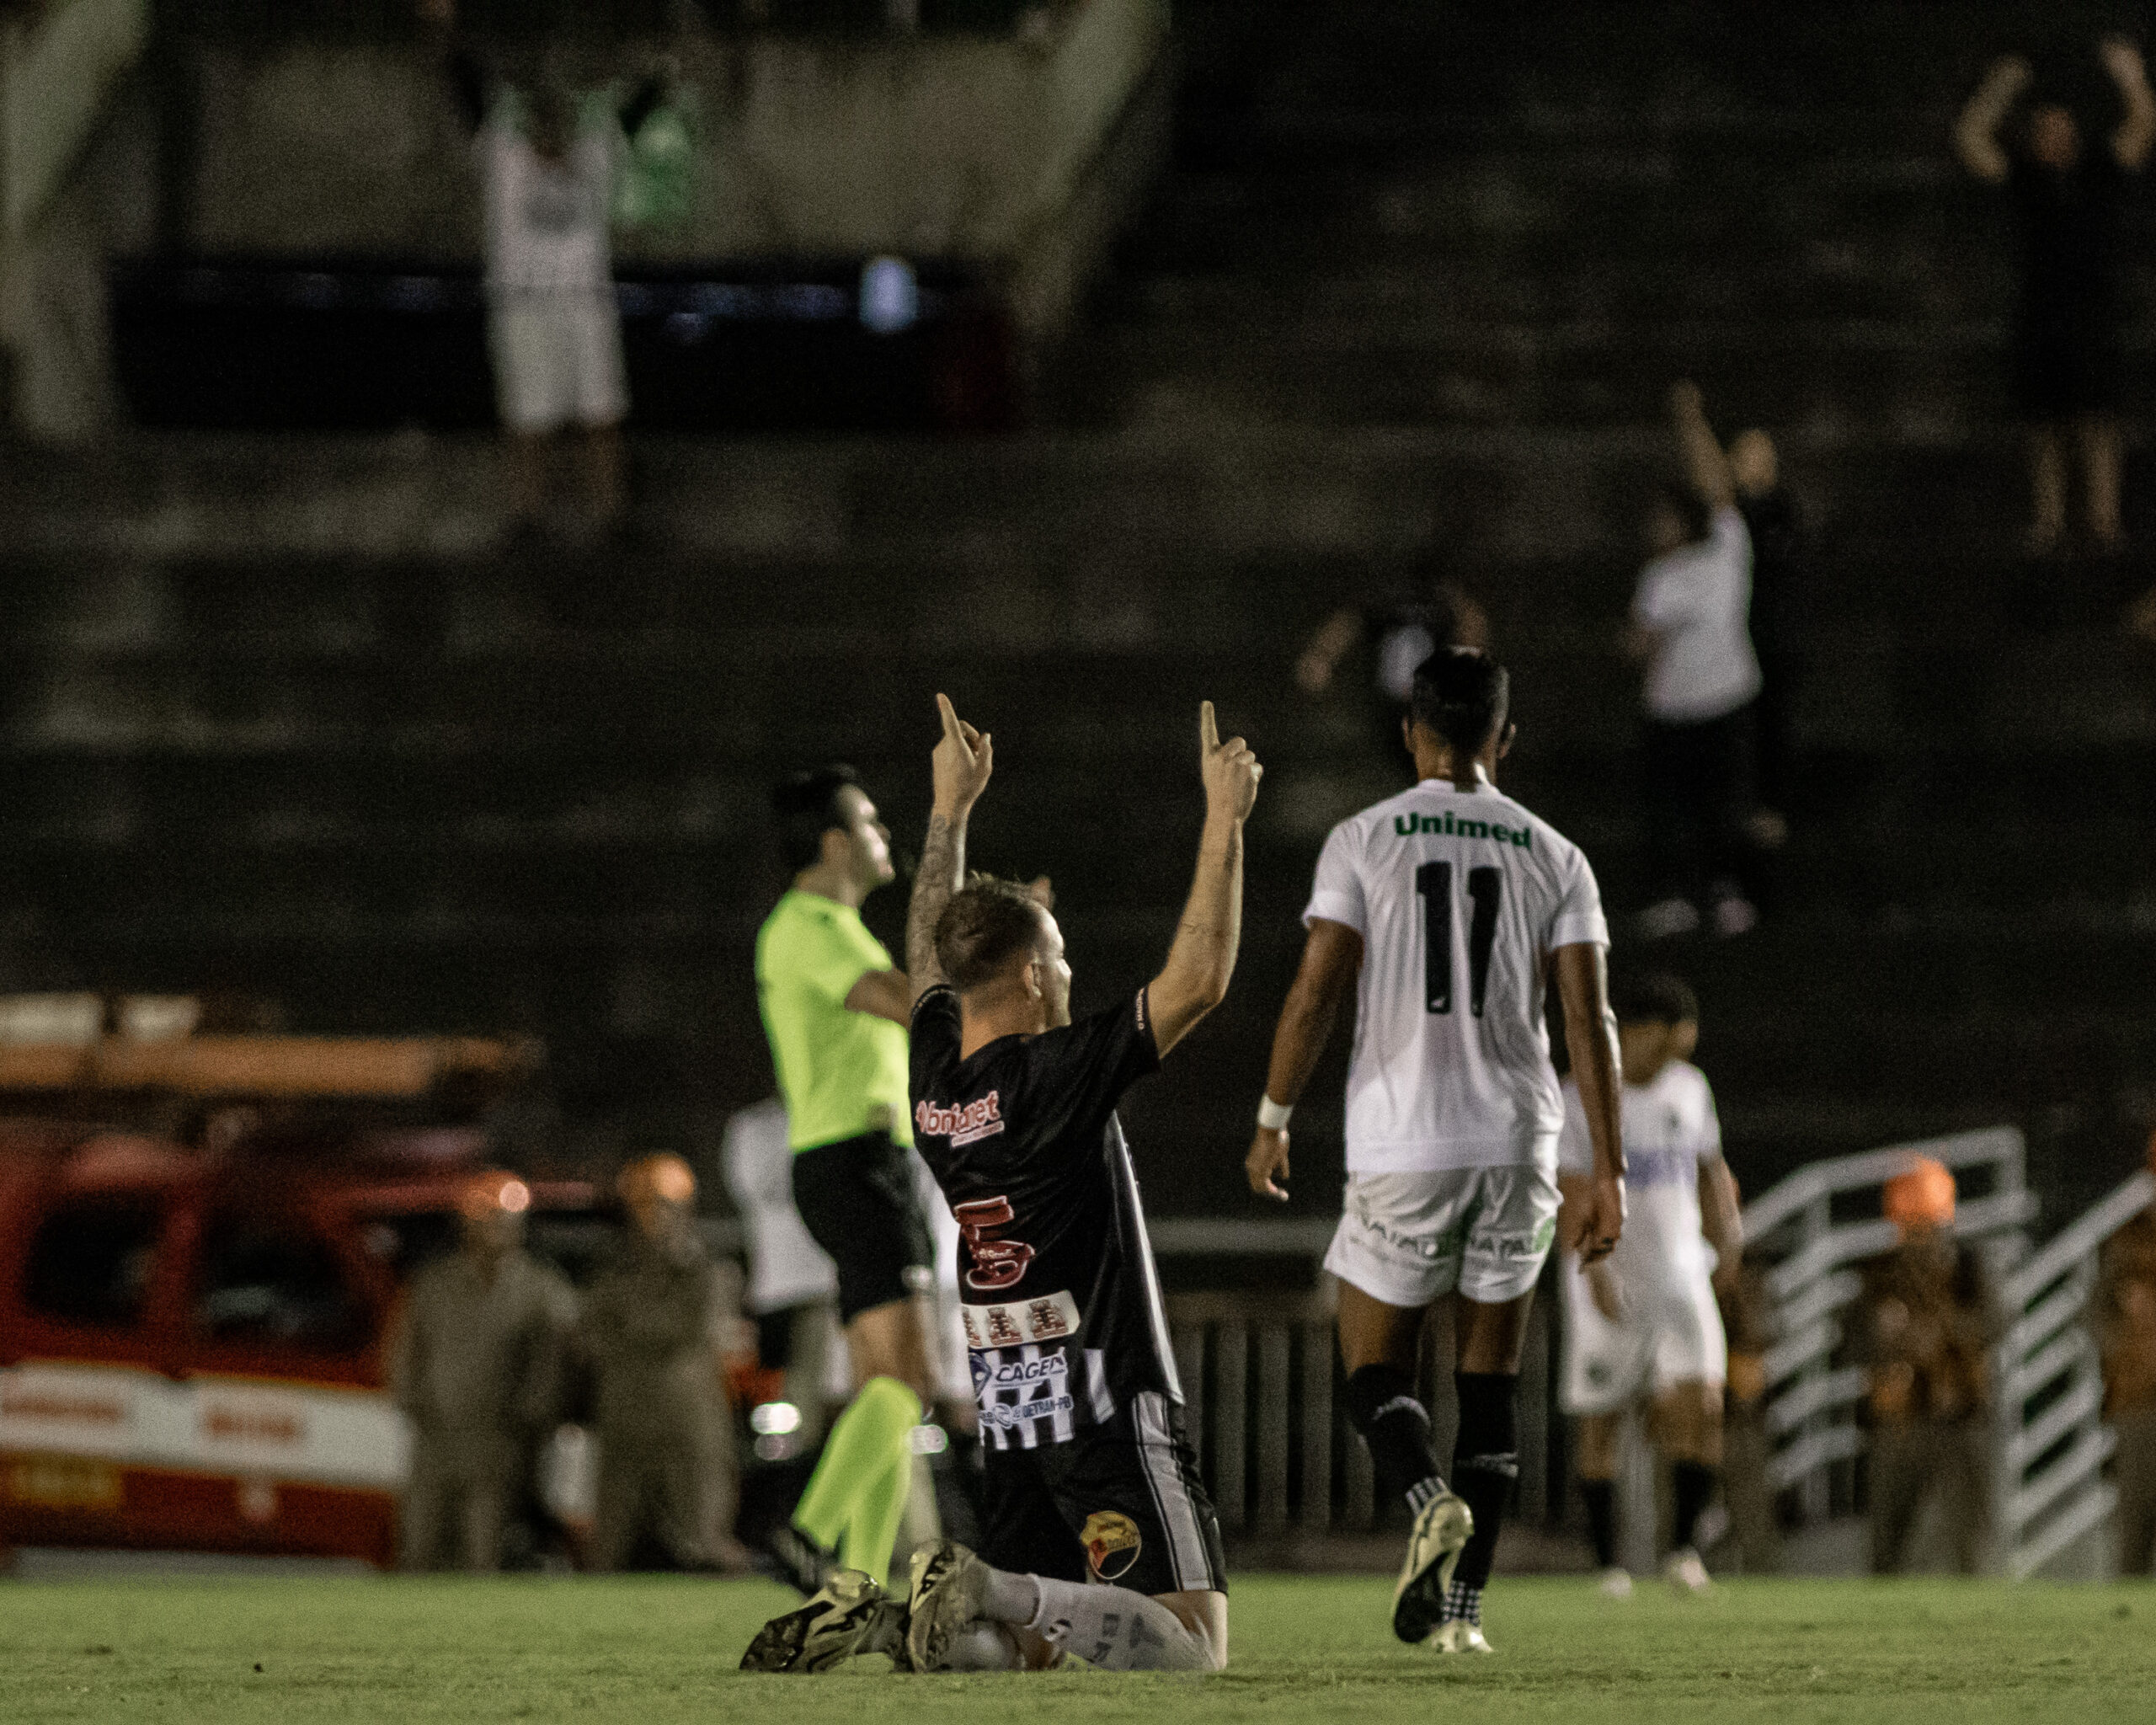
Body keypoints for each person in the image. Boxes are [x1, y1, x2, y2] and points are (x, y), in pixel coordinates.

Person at [744, 692, 1262, 1674]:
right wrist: (1222, 822)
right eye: (1058, 958)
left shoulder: (931, 1080)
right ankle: (983, 1583)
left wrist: (950, 810)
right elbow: (1197, 978)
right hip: (1103, 1396)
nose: (1067, 974)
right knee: (1194, 1648)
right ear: (1029, 978)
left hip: (1014, 1397)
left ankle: (899, 1619)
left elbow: (924, 951)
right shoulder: (1051, 1075)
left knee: (1030, 1653)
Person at [1246, 647, 1626, 1654]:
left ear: (1411, 731)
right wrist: (1611, 1171)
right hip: (1518, 1139)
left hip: (1402, 1134)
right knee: (1491, 1381)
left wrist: (1273, 1113)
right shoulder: (1556, 852)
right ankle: (1463, 1617)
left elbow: (1318, 987)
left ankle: (1425, 1497)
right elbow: (1589, 1021)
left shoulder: (1362, 838)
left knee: (1374, 1366)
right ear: (1504, 737)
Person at [755, 765, 941, 1592]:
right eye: (869, 822)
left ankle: (858, 1582)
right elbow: (900, 999)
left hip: (853, 1162)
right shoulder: (811, 923)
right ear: (834, 842)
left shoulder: (824, 924)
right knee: (912, 1378)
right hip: (857, 1163)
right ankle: (807, 1528)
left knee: (883, 1385)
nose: (881, 835)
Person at [423, 0, 667, 537]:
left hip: (585, 303)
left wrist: (668, 44)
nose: (550, 132)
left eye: (559, 121)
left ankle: (613, 515)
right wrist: (446, 31)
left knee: (602, 414)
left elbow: (644, 101)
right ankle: (526, 517)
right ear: (531, 127)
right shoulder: (504, 157)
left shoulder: (595, 155)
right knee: (527, 420)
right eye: (542, 121)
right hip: (524, 304)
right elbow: (467, 90)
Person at [1556, 973, 1742, 1597]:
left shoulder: (1690, 1089)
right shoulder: (1583, 1092)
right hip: (1608, 1274)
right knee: (1602, 1422)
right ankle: (1608, 1563)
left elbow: (1710, 1166)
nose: (1674, 1056)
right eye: (1667, 1040)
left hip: (1680, 1272)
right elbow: (1567, 1189)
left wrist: (1730, 1234)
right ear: (1637, 1031)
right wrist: (1594, 1266)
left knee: (1705, 1404)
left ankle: (1685, 1550)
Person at [1955, 41, 2156, 554]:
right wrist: (1999, 89)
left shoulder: (2098, 171)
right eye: (2044, 128)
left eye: (2060, 126)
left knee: (2097, 419)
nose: (2054, 135)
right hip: (2039, 313)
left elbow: (2140, 131)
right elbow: (1971, 140)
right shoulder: (2025, 180)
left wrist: (2131, 78)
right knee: (2042, 424)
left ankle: (2104, 519)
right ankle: (2049, 521)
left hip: (2091, 313)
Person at [1626, 382, 1766, 941]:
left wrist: (1691, 422)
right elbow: (1641, 644)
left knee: (1725, 803)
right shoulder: (1658, 577)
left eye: (1663, 517)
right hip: (1671, 708)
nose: (1654, 527)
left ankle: (1726, 893)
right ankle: (1676, 895)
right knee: (1673, 806)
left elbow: (1719, 488)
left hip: (1724, 698)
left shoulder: (1725, 549)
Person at [391, 1169, 576, 1573]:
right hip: (436, 1439)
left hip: (497, 1445)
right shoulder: (435, 1284)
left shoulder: (540, 1290)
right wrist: (412, 1403)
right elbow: (406, 1353)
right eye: (485, 1217)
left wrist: (529, 1423)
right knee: (420, 1549)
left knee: (483, 1555)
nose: (494, 1227)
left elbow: (553, 1363)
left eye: (503, 1218)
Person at [579, 1153, 754, 1573]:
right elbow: (588, 1338)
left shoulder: (709, 1272)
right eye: (643, 1205)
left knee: (705, 1539)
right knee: (610, 1543)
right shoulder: (612, 1273)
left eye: (663, 1205)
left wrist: (628, 1330)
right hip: (624, 1418)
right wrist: (633, 1333)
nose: (653, 1216)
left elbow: (691, 1329)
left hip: (687, 1420)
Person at [1854, 1157, 1998, 1575]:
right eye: (1912, 1227)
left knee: (1971, 1546)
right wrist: (1887, 1337)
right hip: (1901, 1420)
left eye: (1927, 1226)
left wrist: (1942, 1331)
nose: (1920, 1239)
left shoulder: (1969, 1268)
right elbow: (1852, 1340)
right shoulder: (1881, 1273)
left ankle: (1980, 1629)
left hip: (1960, 1416)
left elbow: (1997, 1322)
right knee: (1887, 1549)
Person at [721, 1095, 842, 1445]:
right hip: (788, 1289)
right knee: (797, 1400)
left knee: (827, 1393)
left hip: (823, 1284)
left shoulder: (826, 1113)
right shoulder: (756, 1125)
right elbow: (757, 1187)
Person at [1297, 577, 1492, 776]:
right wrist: (1321, 657)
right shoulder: (1384, 603)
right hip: (1390, 703)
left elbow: (1471, 625)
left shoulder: (1444, 603)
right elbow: (1348, 624)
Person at [2095, 1132, 2156, 1575]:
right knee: (2134, 1523)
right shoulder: (2127, 1239)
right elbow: (2096, 1312)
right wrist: (2122, 1345)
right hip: (2139, 1395)